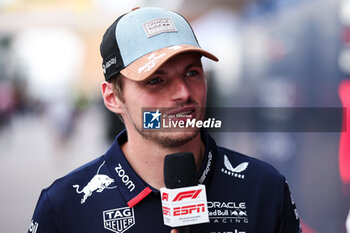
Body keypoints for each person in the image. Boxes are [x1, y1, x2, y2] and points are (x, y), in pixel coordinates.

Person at [28, 7, 302, 233]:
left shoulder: (264, 188)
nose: (183, 93)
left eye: (192, 73)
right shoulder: (65, 206)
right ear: (112, 97)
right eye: (156, 80)